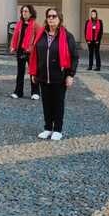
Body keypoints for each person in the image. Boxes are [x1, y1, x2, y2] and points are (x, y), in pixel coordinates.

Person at [30, 7, 79, 140]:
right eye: (49, 16)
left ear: (59, 19)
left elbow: (75, 56)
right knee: (46, 103)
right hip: (43, 75)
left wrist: (70, 75)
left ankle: (57, 129)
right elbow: (36, 54)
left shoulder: (67, 36)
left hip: (60, 77)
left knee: (58, 103)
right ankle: (47, 128)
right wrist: (34, 72)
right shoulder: (41, 34)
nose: (51, 19)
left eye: (54, 16)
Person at [10, 5, 40, 100]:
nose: (24, 13)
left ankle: (35, 92)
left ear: (31, 13)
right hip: (20, 50)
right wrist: (13, 46)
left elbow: (38, 38)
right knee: (20, 72)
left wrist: (32, 48)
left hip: (31, 52)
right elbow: (15, 36)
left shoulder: (35, 25)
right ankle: (18, 92)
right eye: (23, 11)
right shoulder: (19, 24)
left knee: (33, 72)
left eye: (26, 11)